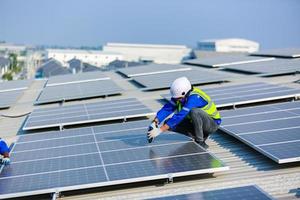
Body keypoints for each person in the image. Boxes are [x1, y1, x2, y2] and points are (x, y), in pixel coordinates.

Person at [147, 76, 221, 147]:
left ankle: (200, 141)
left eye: (179, 98)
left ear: (185, 93)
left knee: (194, 112)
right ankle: (199, 134)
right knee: (168, 123)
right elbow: (167, 108)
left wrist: (160, 130)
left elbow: (180, 115)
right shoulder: (180, 97)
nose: (177, 100)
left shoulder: (194, 98)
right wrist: (155, 121)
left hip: (212, 124)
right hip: (197, 123)